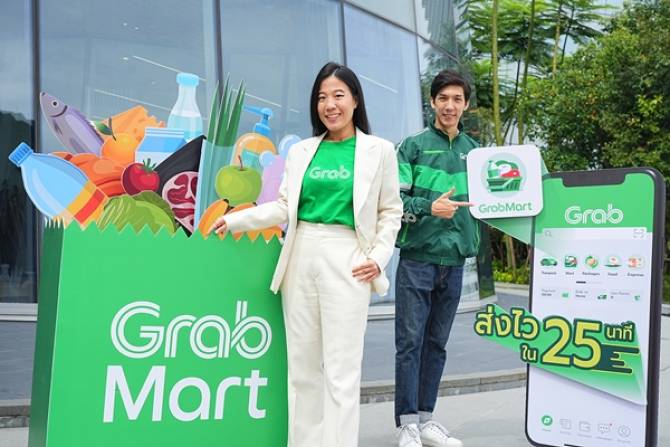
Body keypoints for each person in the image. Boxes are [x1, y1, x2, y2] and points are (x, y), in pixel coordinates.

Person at [211, 62, 403, 447]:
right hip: (301, 255)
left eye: (338, 95)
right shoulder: (301, 151)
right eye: (321, 97)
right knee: (302, 370)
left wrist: (378, 257)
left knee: (341, 371)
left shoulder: (379, 150)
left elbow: (390, 211)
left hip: (349, 257)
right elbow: (285, 207)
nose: (330, 105)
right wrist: (236, 220)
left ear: (355, 100)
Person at [393, 69, 480, 447]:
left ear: (466, 105)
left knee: (437, 344)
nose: (449, 105)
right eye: (443, 98)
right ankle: (406, 423)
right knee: (410, 343)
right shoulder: (411, 147)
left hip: (455, 261)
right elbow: (393, 202)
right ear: (432, 102)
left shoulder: (476, 153)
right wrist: (429, 207)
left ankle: (426, 419)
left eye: (457, 99)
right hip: (417, 259)